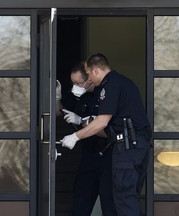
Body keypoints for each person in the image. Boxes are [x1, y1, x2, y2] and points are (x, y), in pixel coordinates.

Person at [61, 53, 152, 216]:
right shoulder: (121, 82)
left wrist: (75, 136)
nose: (89, 78)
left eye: (88, 74)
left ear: (95, 70)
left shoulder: (110, 85)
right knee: (127, 199)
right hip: (134, 145)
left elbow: (102, 121)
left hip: (128, 147)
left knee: (123, 200)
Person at [56, 62, 117, 216]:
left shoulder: (103, 95)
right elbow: (58, 112)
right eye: (73, 83)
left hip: (107, 154)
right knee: (81, 198)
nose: (75, 86)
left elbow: (105, 130)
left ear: (90, 79)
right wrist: (57, 97)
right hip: (88, 154)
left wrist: (81, 121)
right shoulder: (76, 95)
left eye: (78, 83)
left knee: (109, 201)